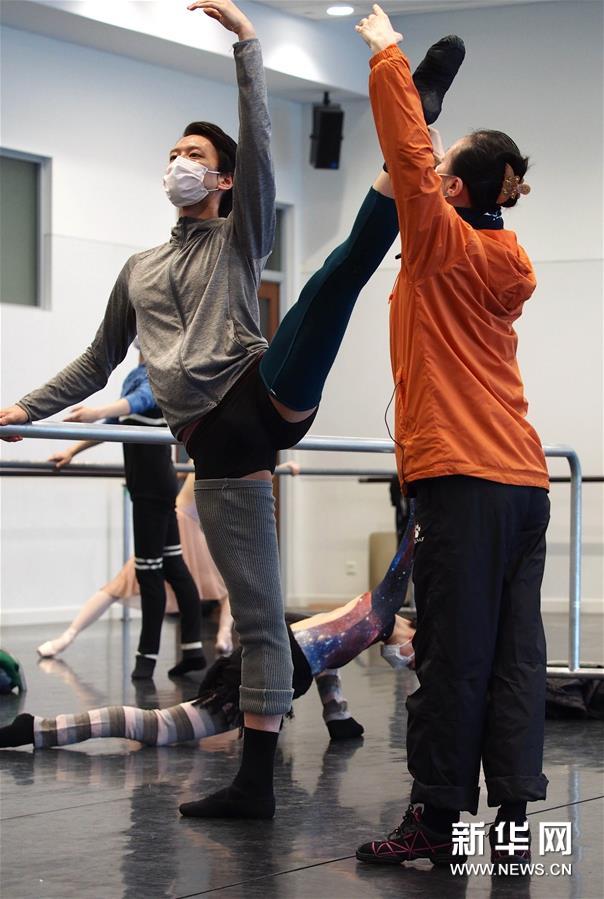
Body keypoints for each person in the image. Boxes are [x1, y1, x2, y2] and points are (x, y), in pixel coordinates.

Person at [0, 0, 462, 819]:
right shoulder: (138, 270)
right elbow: (97, 362)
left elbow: (263, 151)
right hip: (215, 449)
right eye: (173, 152)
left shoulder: (239, 234)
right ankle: (255, 782)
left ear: (222, 180)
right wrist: (23, 406)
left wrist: (249, 46)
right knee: (256, 616)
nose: (179, 162)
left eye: (196, 155)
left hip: (261, 393)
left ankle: (412, 115)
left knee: (336, 276)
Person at [354, 6, 550, 872]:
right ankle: (510, 827)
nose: (428, 181)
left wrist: (388, 55)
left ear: (459, 192)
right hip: (525, 484)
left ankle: (437, 820)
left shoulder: (437, 243)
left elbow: (406, 150)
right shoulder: (507, 259)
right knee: (514, 659)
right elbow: (421, 162)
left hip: (464, 483)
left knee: (451, 657)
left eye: (441, 175)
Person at [0, 511, 416, 758]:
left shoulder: (357, 625)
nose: (408, 662)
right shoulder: (376, 613)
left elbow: (327, 664)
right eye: (414, 653)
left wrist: (338, 717)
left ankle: (37, 729)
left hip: (274, 661)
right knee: (161, 729)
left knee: (163, 728)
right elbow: (406, 557)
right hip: (259, 672)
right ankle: (36, 728)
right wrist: (422, 509)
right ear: (410, 628)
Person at [40, 356, 206, 680]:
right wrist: (72, 451)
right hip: (155, 486)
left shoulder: (159, 375)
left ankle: (146, 660)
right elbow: (116, 425)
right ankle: (193, 651)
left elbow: (140, 400)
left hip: (150, 489)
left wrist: (96, 411)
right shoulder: (144, 375)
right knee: (173, 566)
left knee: (149, 572)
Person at [36, 472, 235, 660]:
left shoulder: (207, 457)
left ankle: (67, 636)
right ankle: (223, 635)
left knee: (119, 586)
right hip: (182, 524)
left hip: (185, 525)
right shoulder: (212, 455)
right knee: (229, 587)